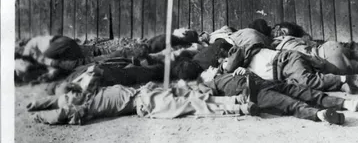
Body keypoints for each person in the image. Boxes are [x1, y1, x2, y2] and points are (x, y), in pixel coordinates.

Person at [198, 66, 358, 125]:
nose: (212, 68)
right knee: (290, 103)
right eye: (208, 69)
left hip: (267, 83)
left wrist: (246, 72)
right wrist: (239, 102)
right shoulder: (208, 84)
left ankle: (353, 105)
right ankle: (322, 115)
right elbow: (208, 100)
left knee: (308, 92)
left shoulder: (227, 73)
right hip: (254, 95)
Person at [28, 80, 258, 125]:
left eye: (69, 95)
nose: (68, 97)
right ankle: (234, 100)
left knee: (190, 105)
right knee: (189, 99)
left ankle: (238, 106)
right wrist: (38, 106)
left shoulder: (85, 99)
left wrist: (39, 112)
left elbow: (60, 110)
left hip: (145, 99)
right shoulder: (88, 96)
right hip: (146, 92)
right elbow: (59, 106)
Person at [223, 39, 358, 94]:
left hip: (286, 61)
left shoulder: (243, 51)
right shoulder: (248, 68)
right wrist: (248, 72)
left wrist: (226, 67)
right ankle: (342, 85)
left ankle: (352, 79)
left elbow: (230, 65)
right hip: (285, 72)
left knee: (307, 81)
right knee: (303, 88)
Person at [271, 22, 358, 77]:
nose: (278, 33)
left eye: (281, 31)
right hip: (330, 48)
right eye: (277, 31)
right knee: (356, 55)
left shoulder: (282, 45)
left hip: (327, 56)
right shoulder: (292, 41)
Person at [15, 35, 85, 83]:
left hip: (62, 42)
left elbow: (44, 60)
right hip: (72, 50)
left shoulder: (30, 50)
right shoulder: (36, 59)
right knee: (67, 67)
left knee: (45, 60)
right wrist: (51, 74)